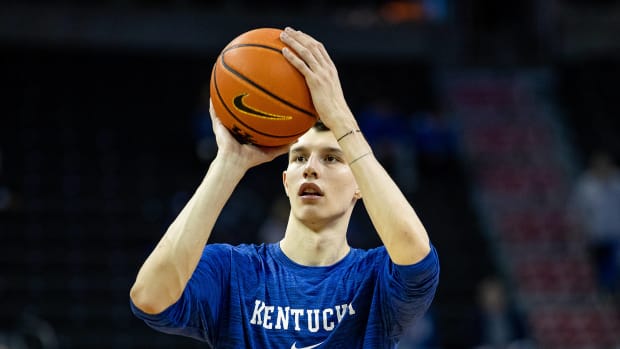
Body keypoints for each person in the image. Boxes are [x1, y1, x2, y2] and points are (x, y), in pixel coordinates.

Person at [129, 27, 440, 348]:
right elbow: (149, 297)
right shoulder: (233, 271)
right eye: (300, 158)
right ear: (286, 180)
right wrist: (228, 163)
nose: (311, 168)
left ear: (361, 184)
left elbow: (415, 255)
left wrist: (341, 119)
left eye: (332, 158)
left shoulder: (375, 279)